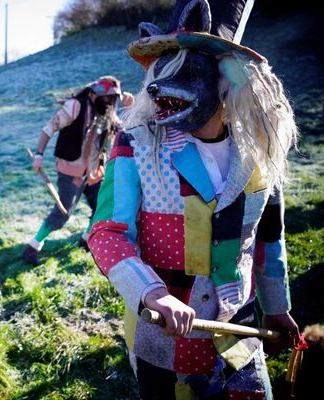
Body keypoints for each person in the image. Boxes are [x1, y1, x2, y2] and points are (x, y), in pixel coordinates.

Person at [88, 0, 301, 398]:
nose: (156, 89)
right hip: (163, 341)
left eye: (185, 72)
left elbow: (269, 238)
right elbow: (106, 233)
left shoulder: (259, 150)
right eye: (160, 73)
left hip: (239, 330)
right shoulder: (135, 147)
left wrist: (277, 306)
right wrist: (153, 292)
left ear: (228, 79)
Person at [21, 76, 134, 265]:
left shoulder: (107, 111)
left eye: (112, 99)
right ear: (94, 93)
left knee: (101, 206)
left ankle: (85, 239)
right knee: (63, 212)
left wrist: (131, 109)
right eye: (106, 98)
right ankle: (33, 247)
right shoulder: (75, 105)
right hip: (71, 169)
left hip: (95, 170)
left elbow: (123, 131)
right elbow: (50, 128)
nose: (109, 103)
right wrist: (39, 155)